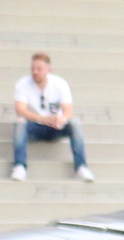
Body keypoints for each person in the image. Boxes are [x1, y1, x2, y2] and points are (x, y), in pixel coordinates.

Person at [10, 52, 92, 182]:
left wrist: (62, 119)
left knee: (74, 123)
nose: (35, 72)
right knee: (20, 123)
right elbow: (20, 110)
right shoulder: (23, 83)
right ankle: (19, 166)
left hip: (55, 125)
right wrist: (41, 119)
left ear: (49, 69)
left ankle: (81, 166)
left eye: (39, 69)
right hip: (35, 124)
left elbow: (68, 109)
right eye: (33, 69)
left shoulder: (60, 83)